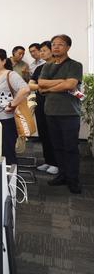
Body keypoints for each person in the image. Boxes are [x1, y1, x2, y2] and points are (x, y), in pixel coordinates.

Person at [38, 34, 83, 194]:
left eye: (60, 44)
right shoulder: (47, 66)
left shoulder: (75, 65)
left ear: (68, 47)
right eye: (53, 44)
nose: (56, 47)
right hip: (50, 111)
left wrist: (48, 89)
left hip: (69, 113)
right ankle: (62, 175)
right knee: (57, 146)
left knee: (70, 148)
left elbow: (70, 85)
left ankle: (73, 179)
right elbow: (40, 83)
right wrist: (61, 81)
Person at [0, 49, 30, 165]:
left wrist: (12, 104)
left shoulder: (10, 75)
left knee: (6, 154)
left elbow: (25, 89)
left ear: (3, 61)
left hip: (4, 121)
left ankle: (10, 176)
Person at [28, 41, 57, 175]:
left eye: (44, 50)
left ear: (52, 50)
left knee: (54, 134)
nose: (41, 53)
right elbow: (30, 85)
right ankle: (48, 161)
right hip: (41, 103)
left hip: (55, 105)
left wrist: (44, 87)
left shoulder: (59, 66)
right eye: (40, 51)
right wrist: (43, 87)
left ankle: (57, 163)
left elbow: (65, 85)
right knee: (44, 133)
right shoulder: (40, 68)